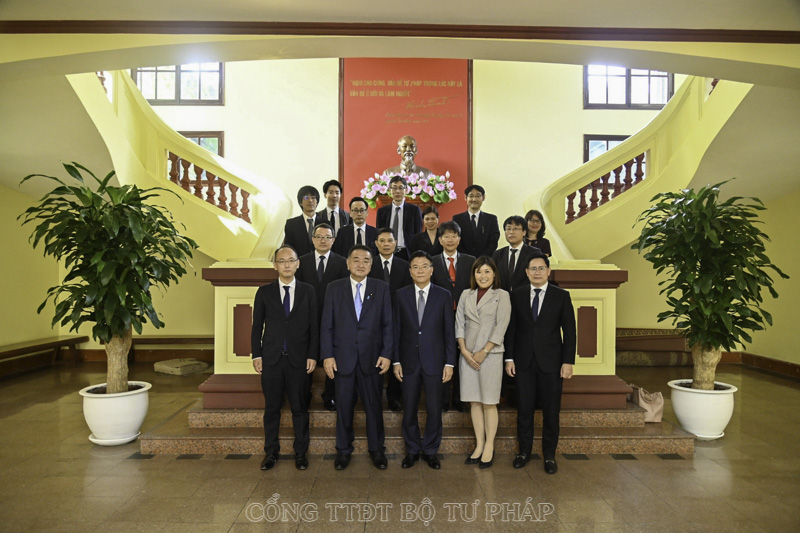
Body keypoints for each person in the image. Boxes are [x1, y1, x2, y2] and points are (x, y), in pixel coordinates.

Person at [320, 245, 393, 471]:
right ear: (348, 263)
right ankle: (343, 450)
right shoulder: (334, 288)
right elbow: (327, 325)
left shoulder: (381, 288)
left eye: (366, 260)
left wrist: (387, 354)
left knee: (374, 406)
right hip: (342, 358)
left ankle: (377, 450)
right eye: (356, 259)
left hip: (373, 358)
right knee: (343, 407)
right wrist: (327, 356)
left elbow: (388, 324)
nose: (361, 264)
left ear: (371, 265)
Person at [505, 254, 576, 475]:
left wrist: (568, 361)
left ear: (548, 271)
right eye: (533, 269)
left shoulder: (561, 296)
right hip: (523, 362)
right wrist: (509, 358)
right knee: (524, 410)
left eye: (541, 268)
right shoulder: (516, 295)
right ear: (526, 272)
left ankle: (550, 456)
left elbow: (570, 331)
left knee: (551, 412)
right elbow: (511, 329)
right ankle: (524, 452)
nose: (537, 272)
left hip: (552, 363)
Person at [251, 245, 318, 471]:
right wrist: (257, 354)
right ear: (275, 265)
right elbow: (256, 327)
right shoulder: (264, 292)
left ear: (298, 263)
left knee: (300, 408)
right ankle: (271, 452)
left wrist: (312, 355)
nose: (286, 265)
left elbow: (314, 327)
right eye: (282, 261)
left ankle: (301, 453)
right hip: (271, 360)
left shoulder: (308, 291)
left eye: (291, 260)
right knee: (272, 408)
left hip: (300, 360)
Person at [393, 251, 455, 469]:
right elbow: (396, 330)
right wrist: (396, 361)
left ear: (432, 270)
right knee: (409, 407)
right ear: (410, 272)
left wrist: (449, 363)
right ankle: (411, 450)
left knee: (434, 408)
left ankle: (430, 450)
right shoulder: (400, 295)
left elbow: (449, 331)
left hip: (435, 361)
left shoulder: (443, 295)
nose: (420, 270)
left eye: (424, 266)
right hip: (408, 361)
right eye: (415, 267)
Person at [456, 256, 511, 469]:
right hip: (467, 354)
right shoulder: (466, 294)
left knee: (489, 402)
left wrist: (484, 351)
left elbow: (501, 326)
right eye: (479, 271)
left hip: (491, 355)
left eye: (487, 271)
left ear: (494, 274)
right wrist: (464, 350)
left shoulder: (502, 295)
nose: (483, 275)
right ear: (474, 274)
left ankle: (489, 445)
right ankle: (479, 445)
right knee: (474, 401)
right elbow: (459, 323)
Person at [296, 222, 349, 411]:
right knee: (306, 356)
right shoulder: (301, 262)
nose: (323, 240)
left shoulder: (342, 262)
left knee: (332, 356)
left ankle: (330, 396)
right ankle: (304, 394)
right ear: (313, 239)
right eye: (319, 237)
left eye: (327, 237)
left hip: (334, 319)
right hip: (307, 319)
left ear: (333, 240)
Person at [431, 220, 475, 412]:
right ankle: (442, 401)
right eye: (446, 236)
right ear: (440, 240)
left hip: (465, 317)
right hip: (440, 317)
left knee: (462, 359)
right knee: (442, 357)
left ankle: (459, 399)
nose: (450, 239)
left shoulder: (470, 261)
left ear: (459, 239)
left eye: (454, 236)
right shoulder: (432, 262)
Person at [368, 227, 413, 411]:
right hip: (373, 320)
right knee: (375, 357)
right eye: (382, 241)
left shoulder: (405, 266)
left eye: (390, 241)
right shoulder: (369, 264)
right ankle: (374, 396)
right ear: (376, 243)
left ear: (396, 243)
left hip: (398, 319)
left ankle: (394, 397)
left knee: (397, 356)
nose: (386, 244)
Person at [376, 175, 422, 260]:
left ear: (406, 190)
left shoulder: (414, 210)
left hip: (407, 253)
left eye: (401, 188)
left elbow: (418, 235)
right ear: (389, 190)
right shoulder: (382, 212)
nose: (397, 191)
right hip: (387, 253)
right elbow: (379, 234)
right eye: (394, 188)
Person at [492, 215, 541, 293]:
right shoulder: (498, 254)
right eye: (508, 229)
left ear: (524, 232)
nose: (511, 232)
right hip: (502, 297)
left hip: (525, 296)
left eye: (516, 229)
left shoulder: (534, 253)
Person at [452, 185, 500, 258]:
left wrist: (481, 259)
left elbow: (493, 242)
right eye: (471, 196)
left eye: (478, 196)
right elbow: (456, 241)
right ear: (465, 197)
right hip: (463, 259)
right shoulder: (457, 219)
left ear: (483, 197)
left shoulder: (491, 219)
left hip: (485, 260)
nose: (474, 199)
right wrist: (468, 258)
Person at [283, 185, 320, 257]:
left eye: (313, 198)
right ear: (300, 202)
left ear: (317, 202)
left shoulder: (325, 223)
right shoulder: (291, 224)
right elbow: (289, 248)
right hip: (299, 261)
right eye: (306, 197)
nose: (310, 200)